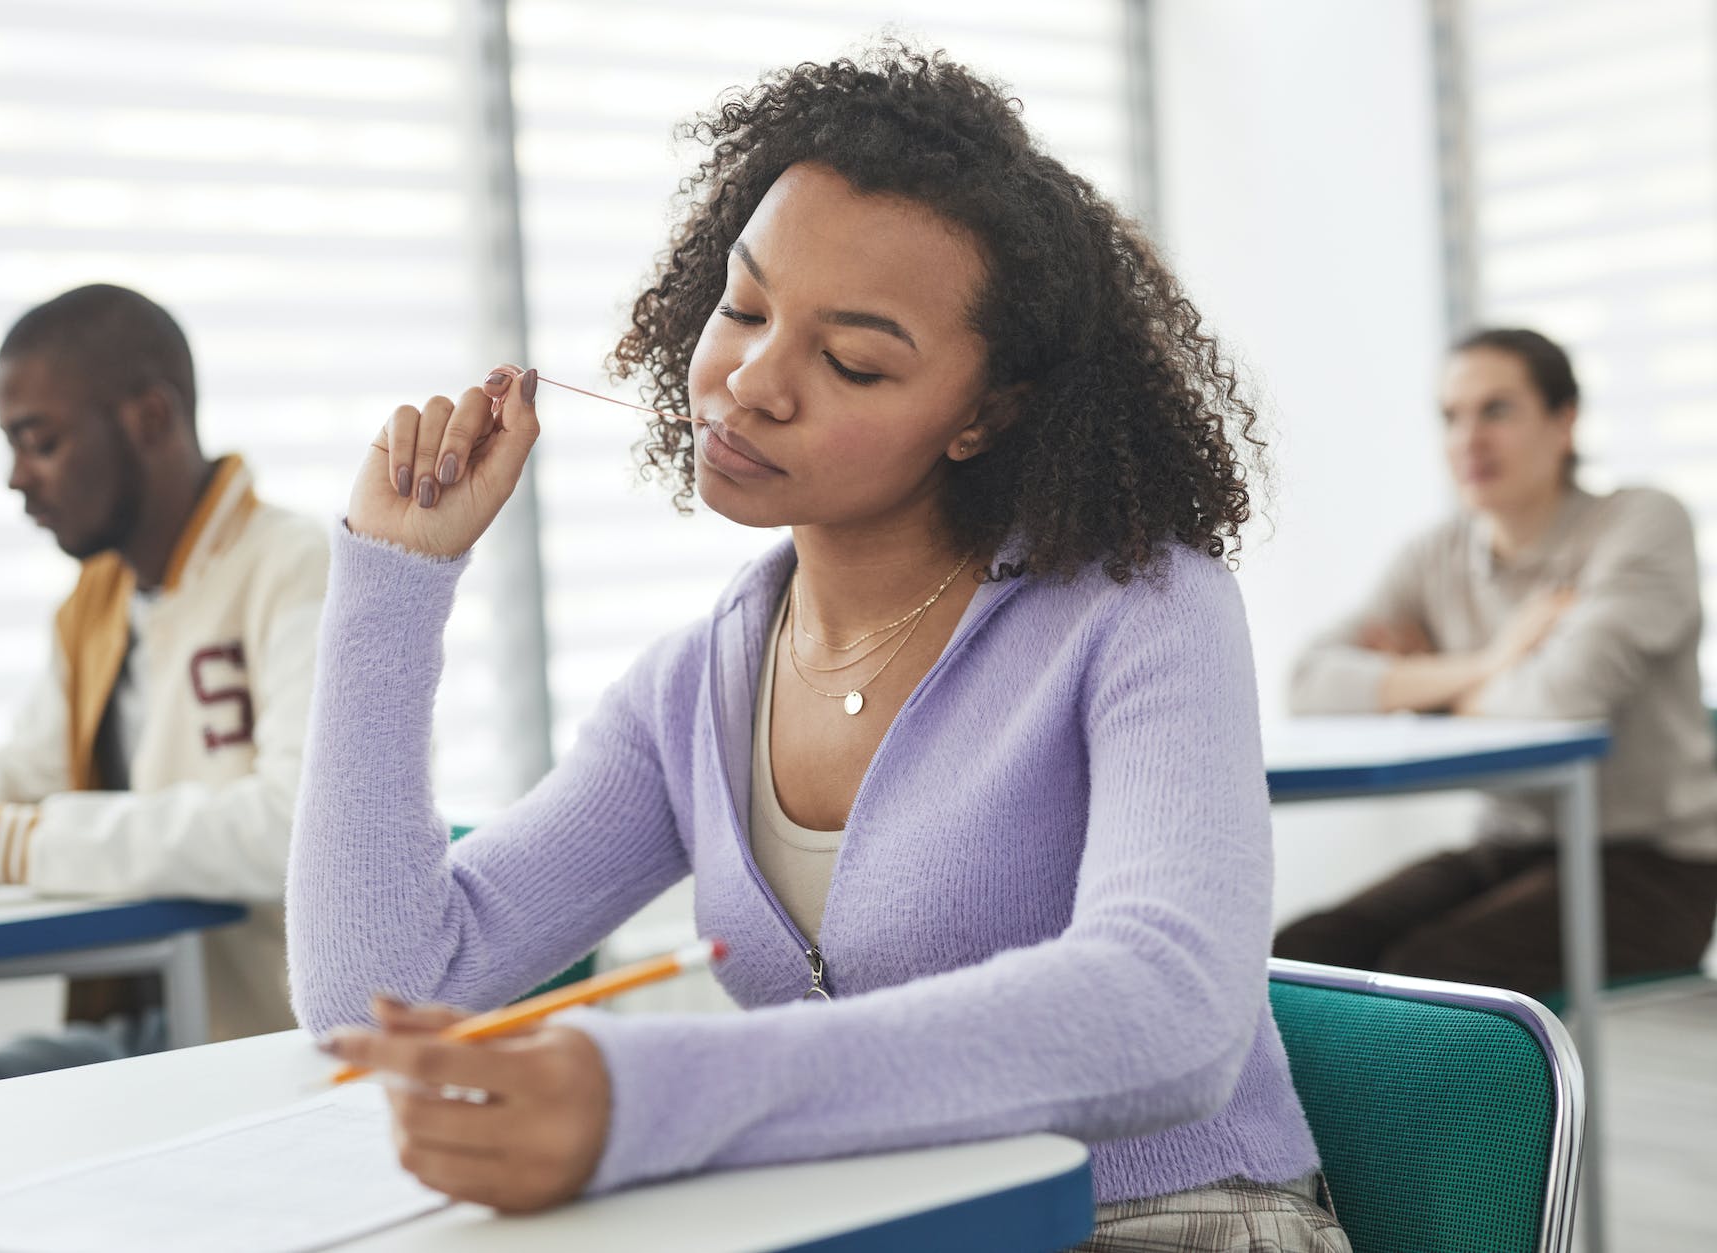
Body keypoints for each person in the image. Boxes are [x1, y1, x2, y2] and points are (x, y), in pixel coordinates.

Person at [290, 49, 1347, 1252]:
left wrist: (653, 1095)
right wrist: (393, 580)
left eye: (850, 360)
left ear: (983, 412)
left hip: (1167, 1223)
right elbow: (376, 994)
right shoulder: (690, 691)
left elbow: (1172, 1012)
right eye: (742, 308)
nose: (747, 379)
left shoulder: (1139, 606)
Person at [0, 284, 328, 1101]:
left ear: (149, 418)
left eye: (41, 441)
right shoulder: (97, 603)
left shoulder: (296, 565)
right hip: (153, 1026)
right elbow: (27, 772)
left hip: (268, 1037)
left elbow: (297, 826)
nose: (16, 478)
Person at [1280, 328, 1717, 997]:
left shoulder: (1643, 523)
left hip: (1656, 864)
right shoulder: (1436, 553)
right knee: (1304, 954)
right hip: (1508, 847)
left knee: (1433, 975)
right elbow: (1309, 682)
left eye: (1497, 410)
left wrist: (1423, 689)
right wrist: (1493, 659)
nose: (1468, 439)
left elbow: (1564, 693)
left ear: (1564, 420)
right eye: (1451, 416)